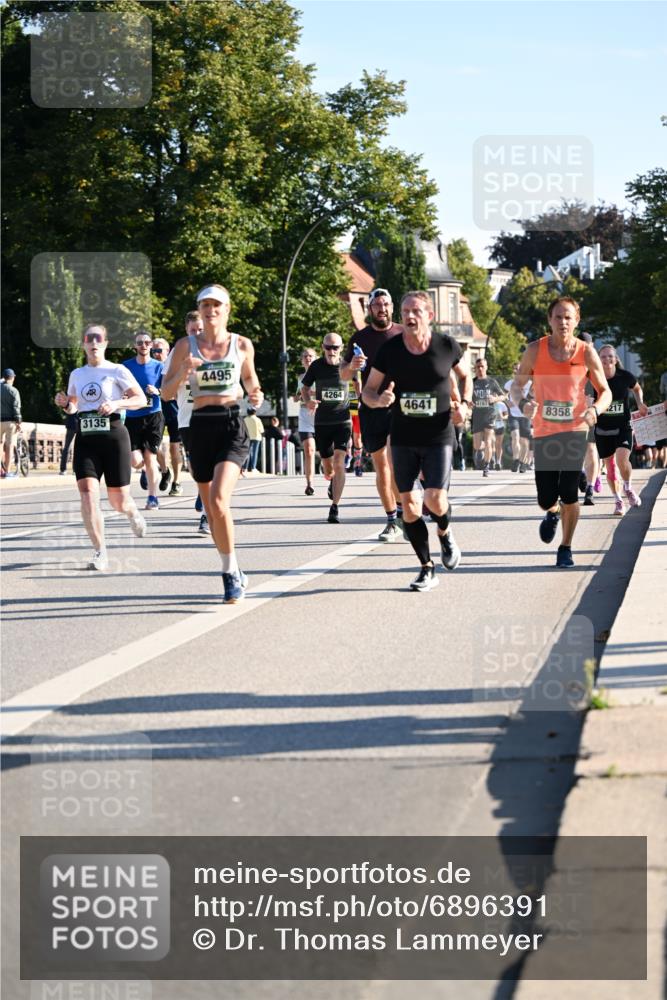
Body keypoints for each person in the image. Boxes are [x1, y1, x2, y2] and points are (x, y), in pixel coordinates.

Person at [362, 290, 471, 592]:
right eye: (406, 311)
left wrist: (465, 405)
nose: (410, 317)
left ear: (429, 316)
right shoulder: (391, 350)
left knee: (434, 499)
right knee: (409, 506)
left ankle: (445, 534)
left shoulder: (446, 345)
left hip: (438, 434)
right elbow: (367, 392)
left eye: (417, 311)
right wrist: (378, 399)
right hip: (403, 436)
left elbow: (465, 376)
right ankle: (426, 567)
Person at [161, 283, 263, 603]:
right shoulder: (184, 346)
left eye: (217, 305)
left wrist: (255, 394)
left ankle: (230, 573)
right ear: (200, 311)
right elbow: (166, 393)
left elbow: (251, 380)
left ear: (227, 309)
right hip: (199, 425)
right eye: (206, 305)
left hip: (232, 424)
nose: (211, 311)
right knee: (210, 506)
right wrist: (183, 373)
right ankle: (230, 564)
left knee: (219, 501)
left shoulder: (242, 345)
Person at [511, 297, 611, 569]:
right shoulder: (534, 350)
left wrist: (595, 411)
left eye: (568, 317)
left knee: (569, 491)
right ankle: (552, 513)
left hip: (575, 429)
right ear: (549, 320)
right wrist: (523, 403)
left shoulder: (586, 352)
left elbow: (605, 391)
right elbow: (517, 387)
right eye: (558, 317)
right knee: (545, 498)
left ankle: (565, 547)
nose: (563, 322)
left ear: (576, 321)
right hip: (544, 430)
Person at [54, 324, 148, 571]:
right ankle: (100, 551)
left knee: (118, 501)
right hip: (86, 438)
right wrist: (65, 403)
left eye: (98, 338)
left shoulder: (117, 370)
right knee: (87, 494)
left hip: (114, 436)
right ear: (84, 343)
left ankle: (131, 513)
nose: (93, 342)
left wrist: (116, 403)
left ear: (105, 343)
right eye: (89, 338)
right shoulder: (77, 374)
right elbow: (74, 406)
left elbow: (141, 399)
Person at [341, 288, 404, 542]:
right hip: (370, 406)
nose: (382, 309)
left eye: (385, 304)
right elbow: (343, 374)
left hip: (399, 406)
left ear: (392, 307)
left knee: (393, 460)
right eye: (377, 305)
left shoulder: (402, 333)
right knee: (381, 467)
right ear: (370, 309)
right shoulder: (359, 338)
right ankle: (392, 519)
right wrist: (351, 367)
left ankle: (403, 511)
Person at [300, 333, 351, 524]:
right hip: (322, 423)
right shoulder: (316, 366)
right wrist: (308, 402)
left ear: (341, 348)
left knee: (339, 462)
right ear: (323, 347)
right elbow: (305, 388)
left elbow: (358, 380)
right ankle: (331, 481)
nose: (331, 351)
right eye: (328, 347)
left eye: (335, 347)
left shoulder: (347, 365)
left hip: (343, 421)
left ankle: (335, 507)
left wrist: (361, 398)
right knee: (328, 468)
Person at [592, 344, 647, 516]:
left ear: (615, 359)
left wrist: (639, 403)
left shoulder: (625, 376)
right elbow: (584, 395)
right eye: (603, 357)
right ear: (599, 361)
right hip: (602, 429)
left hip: (623, 425)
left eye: (610, 356)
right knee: (610, 467)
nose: (607, 359)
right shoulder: (594, 378)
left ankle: (628, 488)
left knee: (623, 460)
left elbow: (637, 388)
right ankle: (617, 500)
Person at [122, 330, 164, 510]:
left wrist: (158, 392)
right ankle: (146, 469)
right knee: (135, 461)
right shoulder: (125, 367)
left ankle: (152, 497)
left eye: (147, 342)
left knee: (150, 456)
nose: (144, 346)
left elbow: (169, 390)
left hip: (153, 415)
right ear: (134, 345)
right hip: (132, 417)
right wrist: (123, 397)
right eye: (140, 343)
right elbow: (118, 388)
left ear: (151, 345)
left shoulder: (159, 367)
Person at [150, 337, 183, 495]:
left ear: (168, 351)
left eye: (159, 351)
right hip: (156, 412)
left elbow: (175, 392)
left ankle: (176, 482)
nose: (156, 354)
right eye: (153, 351)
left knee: (174, 447)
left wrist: (160, 392)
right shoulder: (150, 368)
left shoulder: (174, 367)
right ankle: (165, 471)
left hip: (174, 411)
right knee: (153, 446)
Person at [471, 357, 505, 477]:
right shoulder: (472, 382)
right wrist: (469, 403)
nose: (480, 369)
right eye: (478, 367)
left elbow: (503, 396)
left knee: (489, 440)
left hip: (489, 414)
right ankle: (482, 450)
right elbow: (466, 397)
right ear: (475, 369)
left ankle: (486, 466)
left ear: (486, 367)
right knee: (477, 444)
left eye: (482, 366)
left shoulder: (491, 382)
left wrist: (495, 399)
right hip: (477, 415)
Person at [294, 347, 318, 494]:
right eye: (305, 356)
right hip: (305, 415)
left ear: (315, 358)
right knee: (309, 450)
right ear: (302, 360)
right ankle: (310, 484)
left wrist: (309, 393)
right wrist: (297, 396)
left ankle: (333, 478)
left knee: (329, 453)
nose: (308, 358)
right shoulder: (300, 377)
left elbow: (324, 390)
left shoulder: (322, 375)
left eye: (311, 356)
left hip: (321, 415)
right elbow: (298, 395)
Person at [1, 368, 22, 477]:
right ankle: (8, 471)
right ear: (12, 377)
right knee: (9, 446)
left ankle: (0, 470)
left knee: (0, 445)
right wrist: (19, 422)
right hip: (10, 422)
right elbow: (16, 408)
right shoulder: (14, 391)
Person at [243, 406, 264, 473]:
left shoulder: (245, 419)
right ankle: (253, 468)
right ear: (254, 412)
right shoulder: (257, 419)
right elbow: (261, 430)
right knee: (255, 453)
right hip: (256, 437)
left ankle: (245, 468)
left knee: (247, 453)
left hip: (248, 438)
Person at [59, 410, 78, 474]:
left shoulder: (69, 400)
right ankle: (75, 470)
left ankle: (63, 469)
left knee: (67, 447)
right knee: (77, 447)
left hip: (71, 423)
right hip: (78, 423)